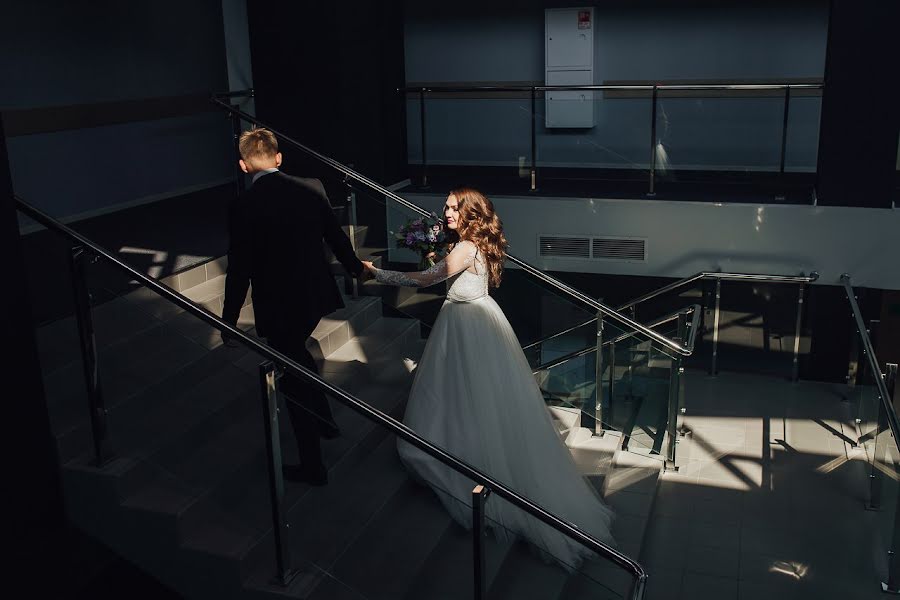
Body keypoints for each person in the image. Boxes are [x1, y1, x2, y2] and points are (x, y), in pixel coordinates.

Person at [362, 187, 615, 570]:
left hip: (465, 324)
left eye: (451, 208)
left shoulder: (464, 248)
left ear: (469, 212)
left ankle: (463, 457)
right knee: (474, 396)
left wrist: (379, 273)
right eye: (445, 207)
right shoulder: (471, 244)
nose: (444, 213)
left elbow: (428, 280)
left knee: (461, 392)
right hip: (478, 318)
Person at [222, 127, 364, 486]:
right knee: (298, 356)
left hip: (278, 303)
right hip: (313, 296)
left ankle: (313, 465)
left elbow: (239, 267)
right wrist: (354, 269)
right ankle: (325, 422)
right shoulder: (311, 187)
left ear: (243, 165)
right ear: (279, 158)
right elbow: (335, 235)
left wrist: (229, 317)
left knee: (292, 379)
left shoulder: (243, 205)